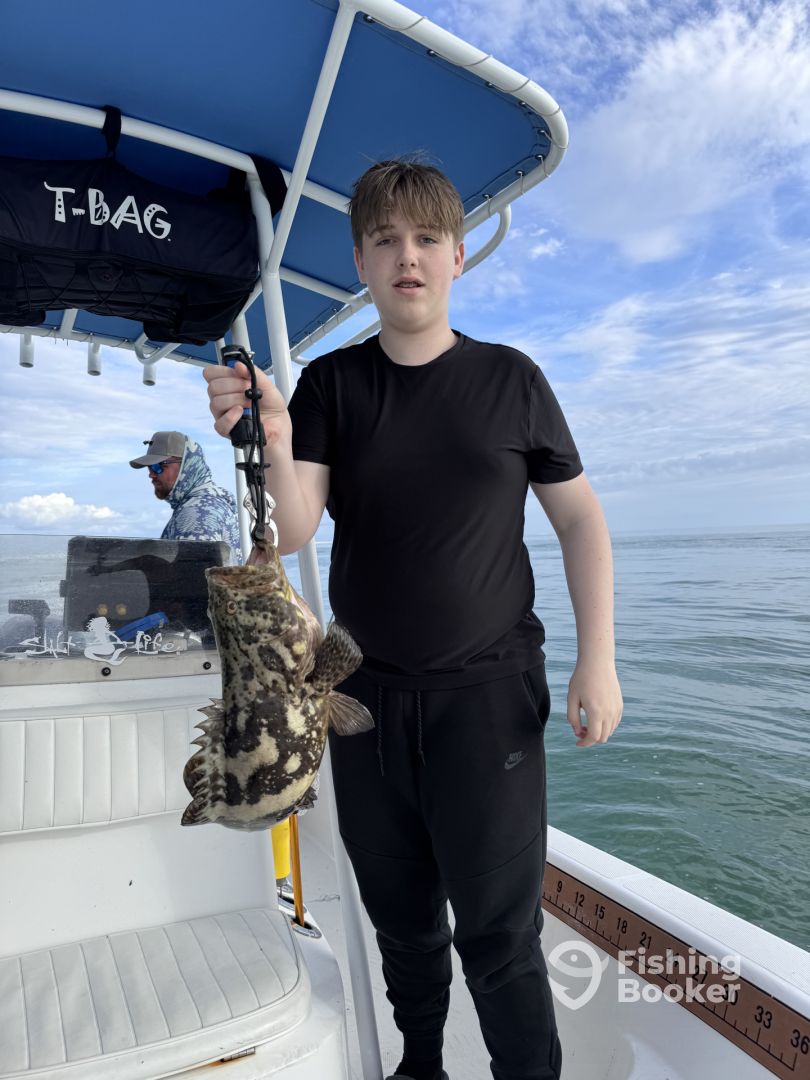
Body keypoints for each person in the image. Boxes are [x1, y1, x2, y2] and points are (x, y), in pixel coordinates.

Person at [204, 161, 623, 1080]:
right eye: (385, 240)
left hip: (489, 701)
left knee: (500, 937)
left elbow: (580, 520)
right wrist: (273, 437)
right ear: (360, 260)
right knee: (401, 921)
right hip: (360, 701)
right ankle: (420, 1065)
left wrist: (599, 660)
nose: (408, 257)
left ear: (457, 257)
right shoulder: (332, 386)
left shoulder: (512, 380)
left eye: (427, 238)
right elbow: (295, 528)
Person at [129, 430, 242, 563]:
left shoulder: (196, 513)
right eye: (149, 467)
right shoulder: (212, 501)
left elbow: (193, 575)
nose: (151, 474)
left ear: (187, 465)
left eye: (158, 466)